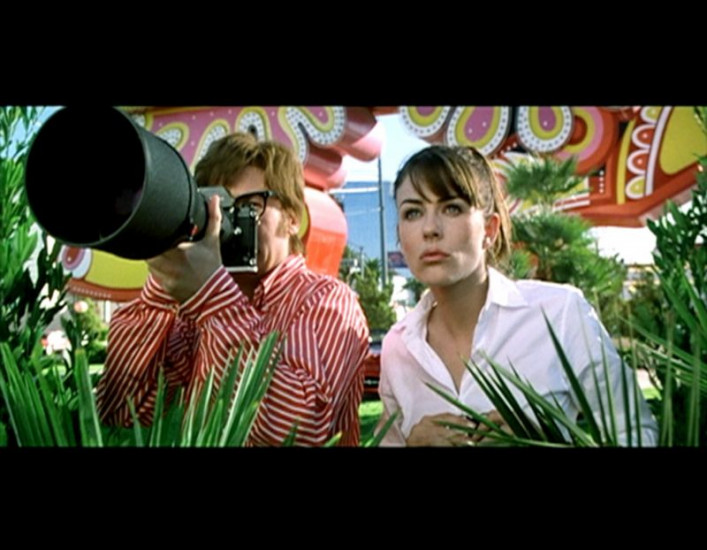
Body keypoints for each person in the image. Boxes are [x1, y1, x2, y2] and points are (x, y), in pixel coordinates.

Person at [96, 132, 370, 446]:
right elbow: (121, 410)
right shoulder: (192, 310)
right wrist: (163, 285)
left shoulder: (327, 301)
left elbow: (302, 431)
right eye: (215, 207)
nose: (226, 221)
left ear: (293, 218)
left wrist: (214, 298)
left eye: (249, 205)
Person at [376, 145, 658, 447]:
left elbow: (638, 434)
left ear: (490, 229)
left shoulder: (559, 315)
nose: (430, 229)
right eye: (413, 212)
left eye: (452, 208)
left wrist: (545, 439)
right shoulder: (398, 348)